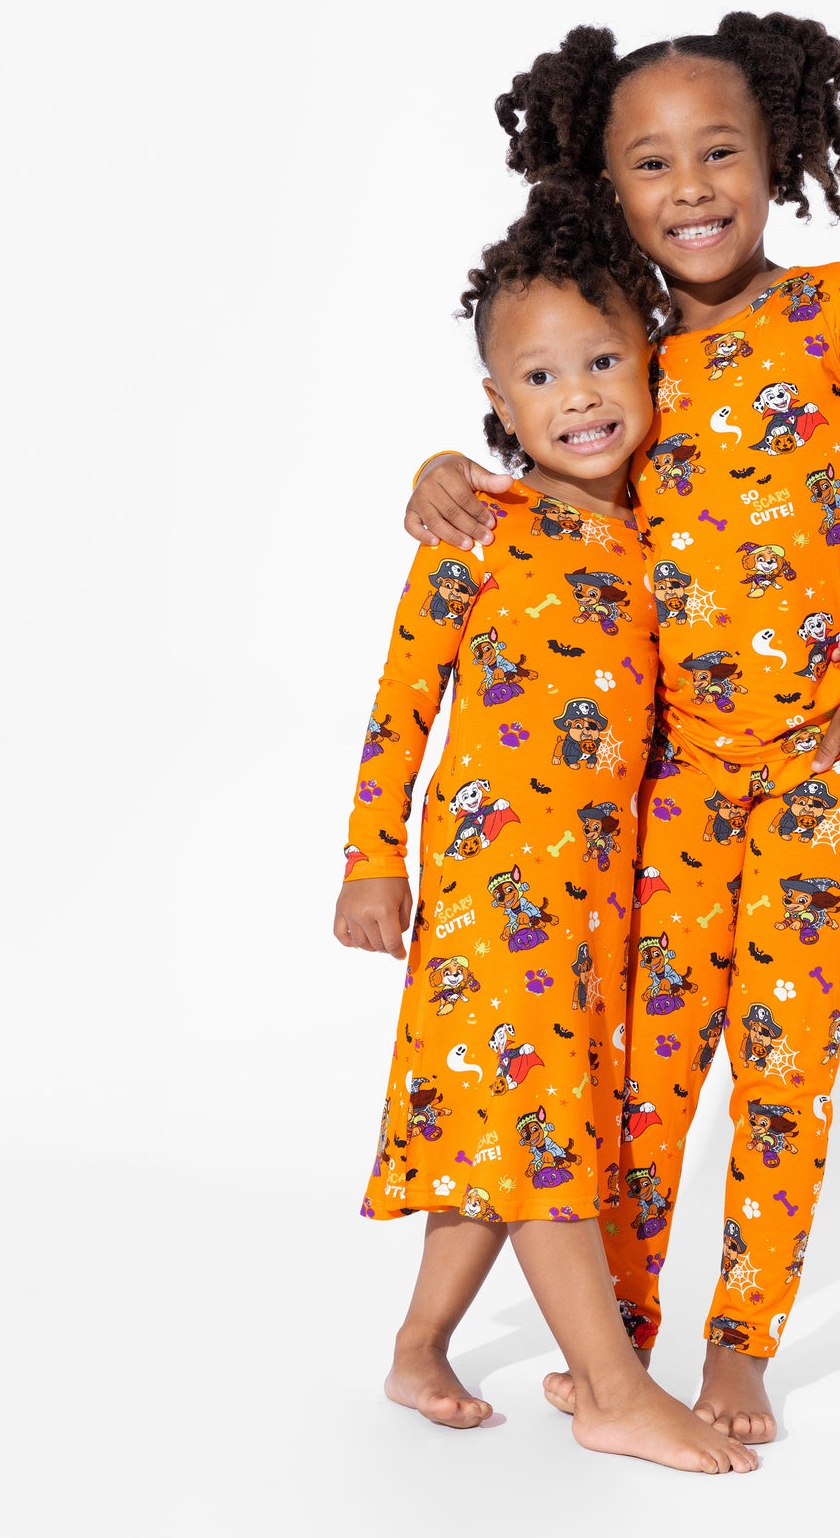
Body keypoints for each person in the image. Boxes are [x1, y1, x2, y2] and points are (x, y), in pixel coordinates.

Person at [402, 14, 840, 1447]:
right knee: (643, 1072)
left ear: (779, 157)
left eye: (720, 151)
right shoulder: (626, 347)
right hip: (669, 782)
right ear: (607, 186)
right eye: (651, 163)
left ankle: (740, 1343)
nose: (693, 185)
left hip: (824, 771)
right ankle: (622, 1348)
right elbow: (551, 459)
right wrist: (445, 466)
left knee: (783, 1060)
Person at [334, 180, 759, 1474]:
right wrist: (371, 861)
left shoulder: (661, 545)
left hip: (602, 895)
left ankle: (418, 1348)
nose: (577, 396)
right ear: (499, 405)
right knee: (533, 1126)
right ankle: (615, 1390)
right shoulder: (476, 527)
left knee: (501, 1115)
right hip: (491, 882)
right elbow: (401, 704)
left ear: (648, 364)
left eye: (601, 363)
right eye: (539, 377)